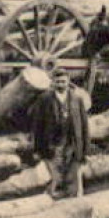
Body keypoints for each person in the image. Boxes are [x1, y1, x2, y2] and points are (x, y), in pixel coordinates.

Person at [29, 66, 91, 199]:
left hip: (73, 144)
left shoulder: (77, 99)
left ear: (68, 81)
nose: (61, 84)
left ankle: (74, 203)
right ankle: (51, 205)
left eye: (63, 81)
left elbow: (84, 126)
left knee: (74, 178)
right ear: (53, 82)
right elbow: (37, 126)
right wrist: (37, 149)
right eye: (58, 82)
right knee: (53, 178)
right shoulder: (44, 100)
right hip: (52, 145)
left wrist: (85, 150)